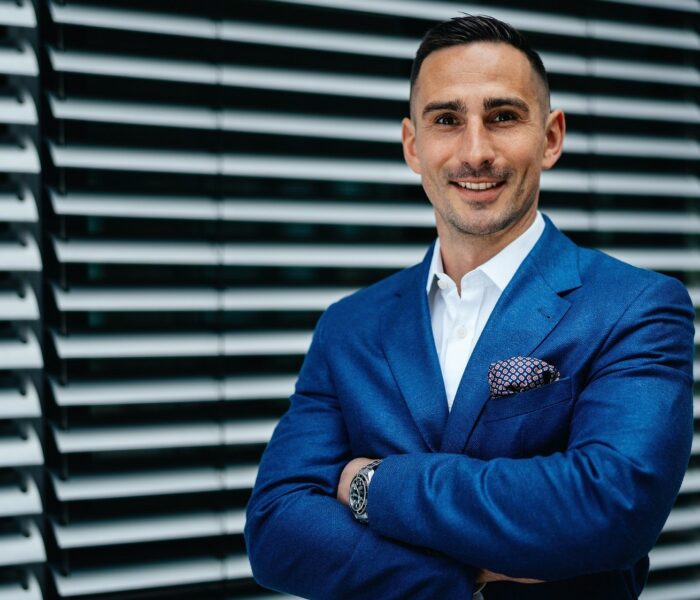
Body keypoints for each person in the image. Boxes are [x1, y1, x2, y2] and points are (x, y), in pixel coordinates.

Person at [244, 14, 694, 600]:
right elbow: (277, 529)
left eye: (503, 116)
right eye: (446, 120)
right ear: (413, 145)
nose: (475, 151)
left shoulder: (636, 307)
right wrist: (464, 577)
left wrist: (370, 485)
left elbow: (609, 507)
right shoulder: (348, 327)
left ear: (551, 137)